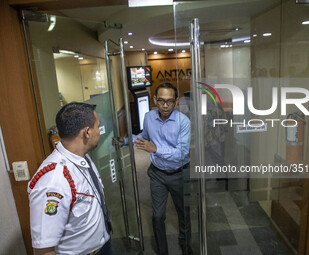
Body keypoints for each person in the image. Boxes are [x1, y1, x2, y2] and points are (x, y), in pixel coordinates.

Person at [113, 83, 192, 255]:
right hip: (157, 174)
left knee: (183, 214)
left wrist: (155, 149)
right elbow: (144, 138)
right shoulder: (149, 117)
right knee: (157, 216)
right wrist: (126, 141)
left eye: (170, 101)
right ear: (154, 99)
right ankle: (162, 251)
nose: (165, 106)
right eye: (161, 101)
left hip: (179, 173)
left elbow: (182, 152)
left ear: (176, 101)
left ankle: (186, 246)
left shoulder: (183, 121)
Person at [28, 102, 113, 255]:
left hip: (103, 245)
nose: (99, 132)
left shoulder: (81, 156)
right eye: (97, 127)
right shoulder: (53, 181)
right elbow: (44, 250)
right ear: (87, 132)